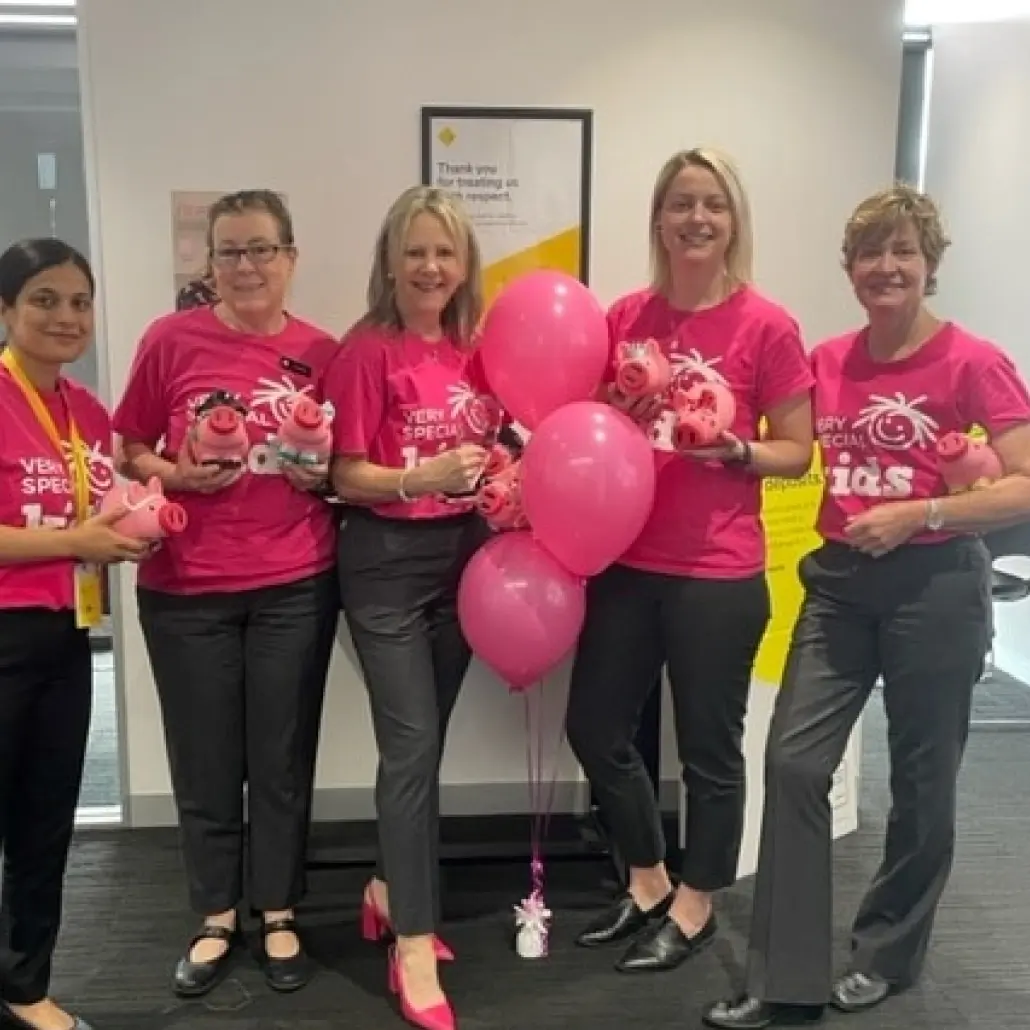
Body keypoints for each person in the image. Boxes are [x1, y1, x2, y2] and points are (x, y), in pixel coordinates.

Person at [702, 185, 1030, 1029]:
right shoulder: (828, 359)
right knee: (794, 764)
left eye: (903, 251)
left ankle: (888, 952)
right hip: (840, 588)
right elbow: (785, 443)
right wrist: (725, 443)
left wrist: (925, 513)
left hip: (937, 587)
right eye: (870, 253)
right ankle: (786, 978)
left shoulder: (974, 362)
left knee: (923, 780)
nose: (886, 267)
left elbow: (1025, 484)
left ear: (929, 263)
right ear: (849, 268)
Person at [565, 147, 815, 974]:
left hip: (719, 571)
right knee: (595, 727)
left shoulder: (767, 324)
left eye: (712, 203)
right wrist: (614, 403)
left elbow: (797, 451)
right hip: (628, 559)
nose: (696, 218)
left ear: (732, 221)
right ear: (659, 219)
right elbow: (593, 424)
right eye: (680, 203)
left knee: (709, 750)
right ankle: (647, 880)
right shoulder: (626, 316)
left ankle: (698, 902)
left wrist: (736, 449)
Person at [112, 190, 341, 997]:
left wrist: (319, 473)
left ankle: (278, 909)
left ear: (290, 257)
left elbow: (339, 461)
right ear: (211, 262)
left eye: (261, 249)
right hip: (186, 588)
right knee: (205, 757)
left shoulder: (322, 350)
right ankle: (215, 914)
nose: (246, 266)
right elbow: (129, 445)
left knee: (281, 757)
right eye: (230, 251)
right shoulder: (170, 339)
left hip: (295, 584)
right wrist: (174, 473)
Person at [325, 185, 499, 1030]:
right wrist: (416, 479)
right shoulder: (367, 350)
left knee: (423, 752)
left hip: (464, 561)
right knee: (411, 746)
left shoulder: (477, 348)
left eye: (444, 252)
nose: (430, 267)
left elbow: (503, 440)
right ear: (390, 263)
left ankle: (390, 891)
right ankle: (415, 946)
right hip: (385, 566)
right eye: (415, 252)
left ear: (464, 265)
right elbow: (341, 473)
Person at [0, 238, 147, 1030]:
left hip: (66, 636)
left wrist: (137, 523)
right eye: (44, 300)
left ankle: (24, 988)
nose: (66, 316)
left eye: (80, 302)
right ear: (6, 310)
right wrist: (75, 542)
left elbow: (98, 507)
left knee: (44, 821)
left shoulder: (88, 412)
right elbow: (68, 532)